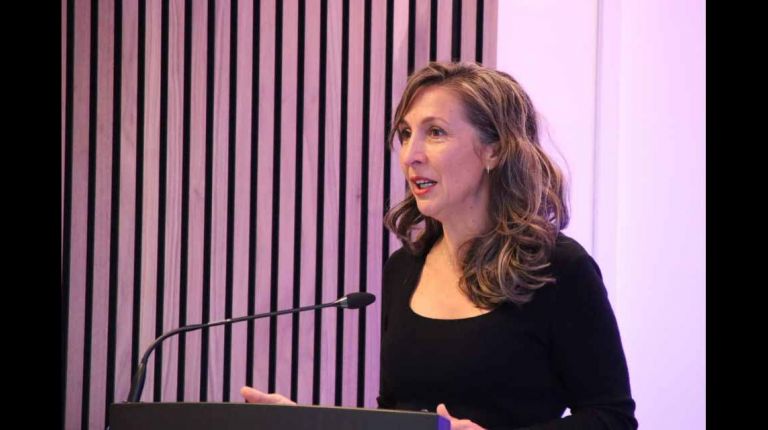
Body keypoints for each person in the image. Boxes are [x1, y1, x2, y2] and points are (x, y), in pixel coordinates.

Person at [242, 61, 637, 430]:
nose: (410, 156)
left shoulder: (558, 268)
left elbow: (612, 418)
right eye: (406, 134)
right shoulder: (404, 268)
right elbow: (396, 415)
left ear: (495, 149)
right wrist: (309, 423)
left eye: (435, 133)